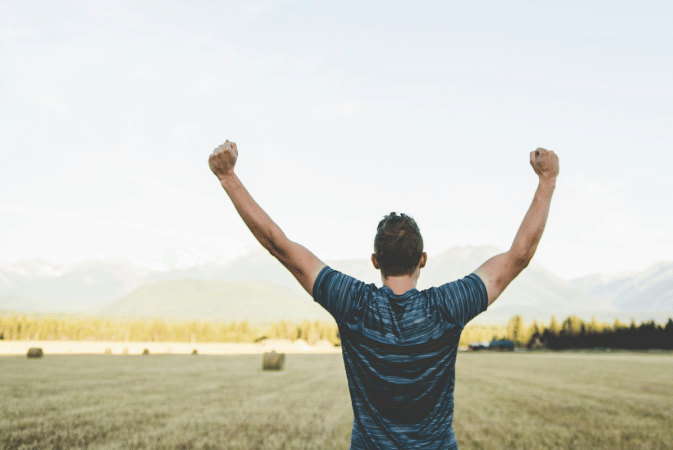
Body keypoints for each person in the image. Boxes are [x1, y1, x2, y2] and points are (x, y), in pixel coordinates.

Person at [209, 140, 559, 449]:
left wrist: (228, 177)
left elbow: (278, 245)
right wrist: (547, 180)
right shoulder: (448, 307)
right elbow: (519, 256)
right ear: (422, 259)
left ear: (375, 260)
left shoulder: (353, 304)